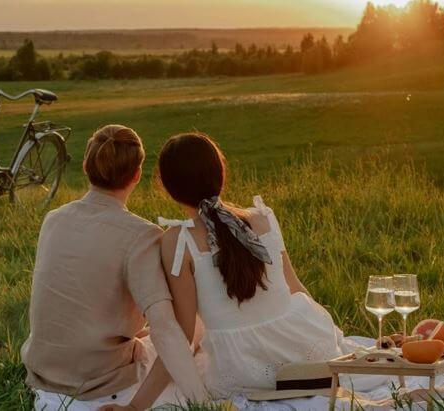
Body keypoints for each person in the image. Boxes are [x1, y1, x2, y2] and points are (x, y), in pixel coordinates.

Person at [107, 132, 364, 408]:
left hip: (241, 370)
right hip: (307, 352)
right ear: (220, 173)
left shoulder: (179, 240)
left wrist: (134, 406)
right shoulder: (262, 218)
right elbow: (296, 288)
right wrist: (331, 336)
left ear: (168, 187)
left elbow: (181, 335)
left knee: (172, 361)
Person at [21, 125, 208, 411]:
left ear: (86, 165)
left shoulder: (53, 219)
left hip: (45, 380)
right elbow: (166, 329)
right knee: (197, 330)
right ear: (136, 175)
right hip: (102, 389)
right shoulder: (142, 235)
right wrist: (203, 404)